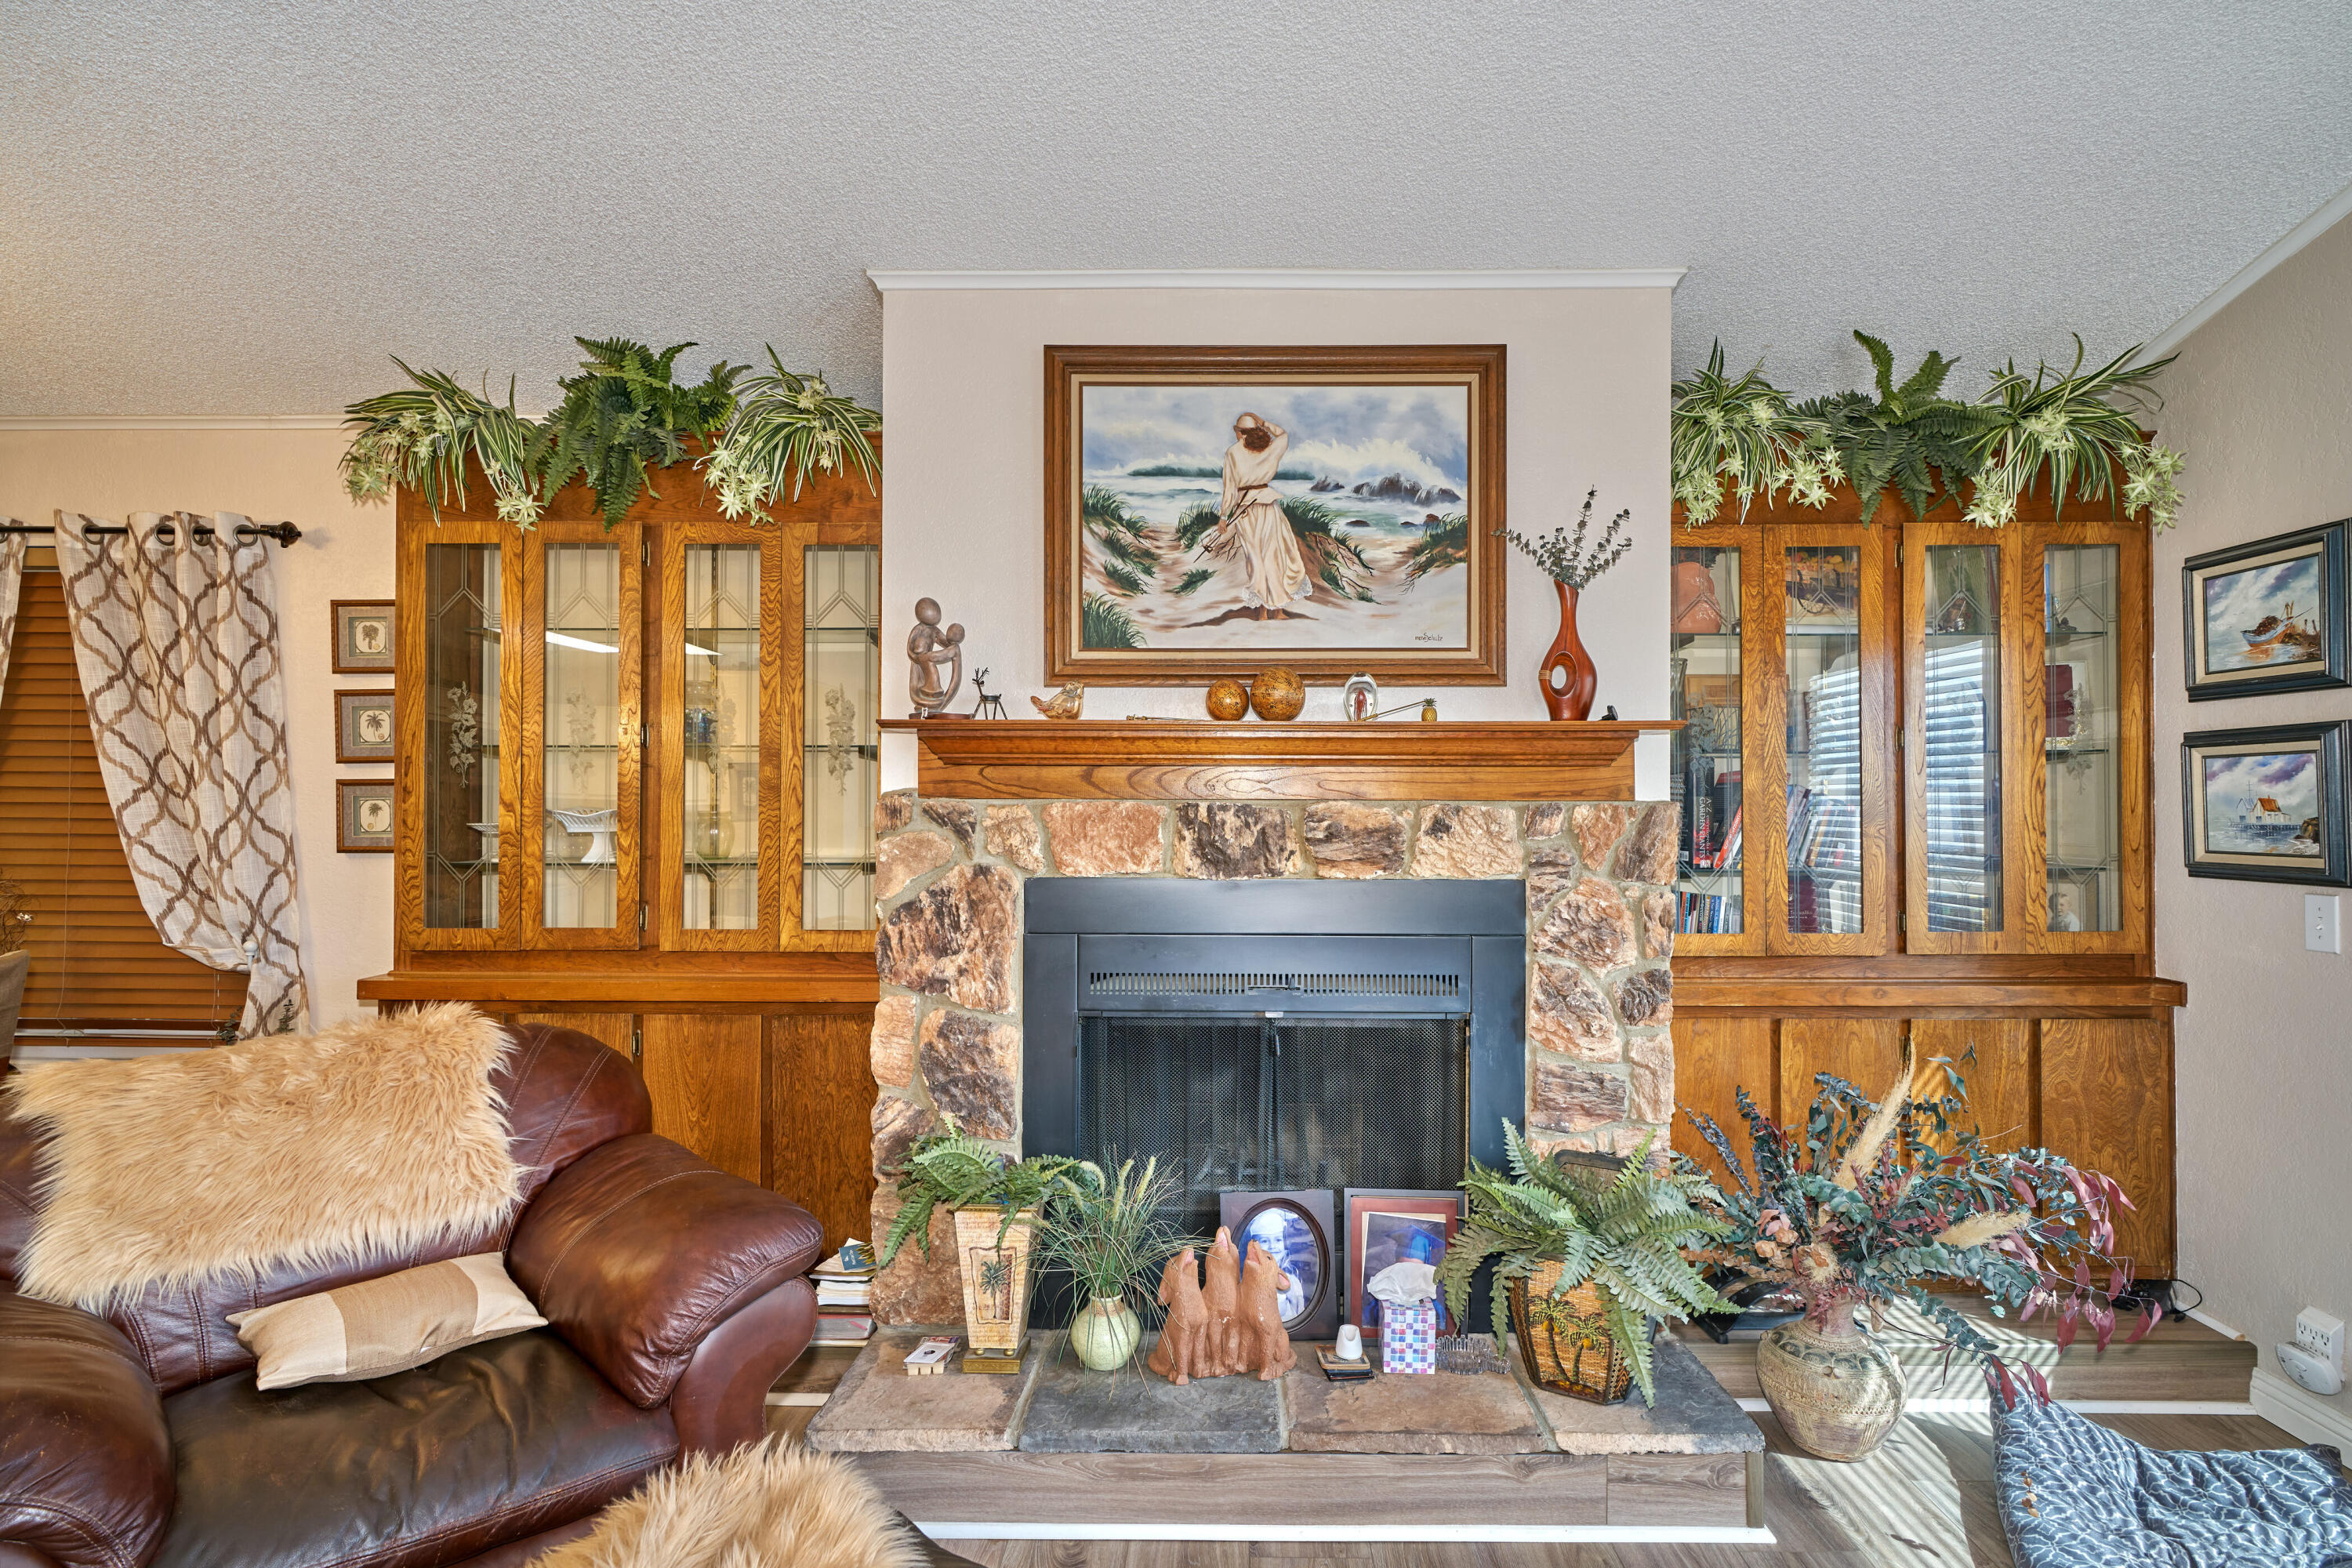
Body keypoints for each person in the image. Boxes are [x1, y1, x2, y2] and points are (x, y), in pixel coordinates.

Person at [1216, 412, 1308, 619]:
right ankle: (1279, 610)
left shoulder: (1232, 452)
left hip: (1245, 511)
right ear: (1256, 430)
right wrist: (1264, 422)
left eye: (1237, 432)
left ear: (1240, 433)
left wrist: (1224, 516)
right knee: (1274, 557)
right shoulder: (1270, 449)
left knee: (1255, 560)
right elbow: (1283, 435)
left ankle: (1263, 612)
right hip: (1267, 506)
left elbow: (1229, 488)